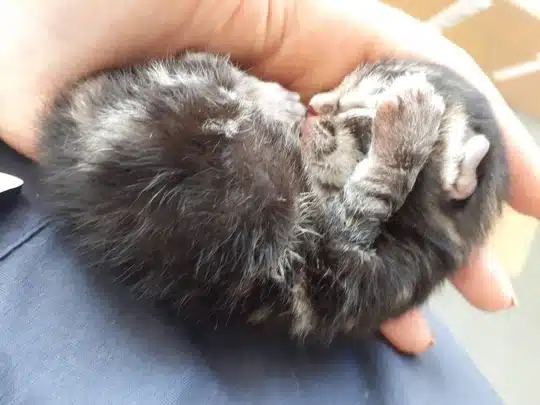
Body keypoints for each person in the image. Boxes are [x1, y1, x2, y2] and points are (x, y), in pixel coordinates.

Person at [0, 0, 537, 403]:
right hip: (104, 141)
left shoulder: (378, 268)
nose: (320, 103)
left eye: (354, 111)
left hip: (129, 147)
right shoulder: (391, 264)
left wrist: (386, 171)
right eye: (343, 89)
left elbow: (330, 263)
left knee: (254, 206)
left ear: (455, 175)